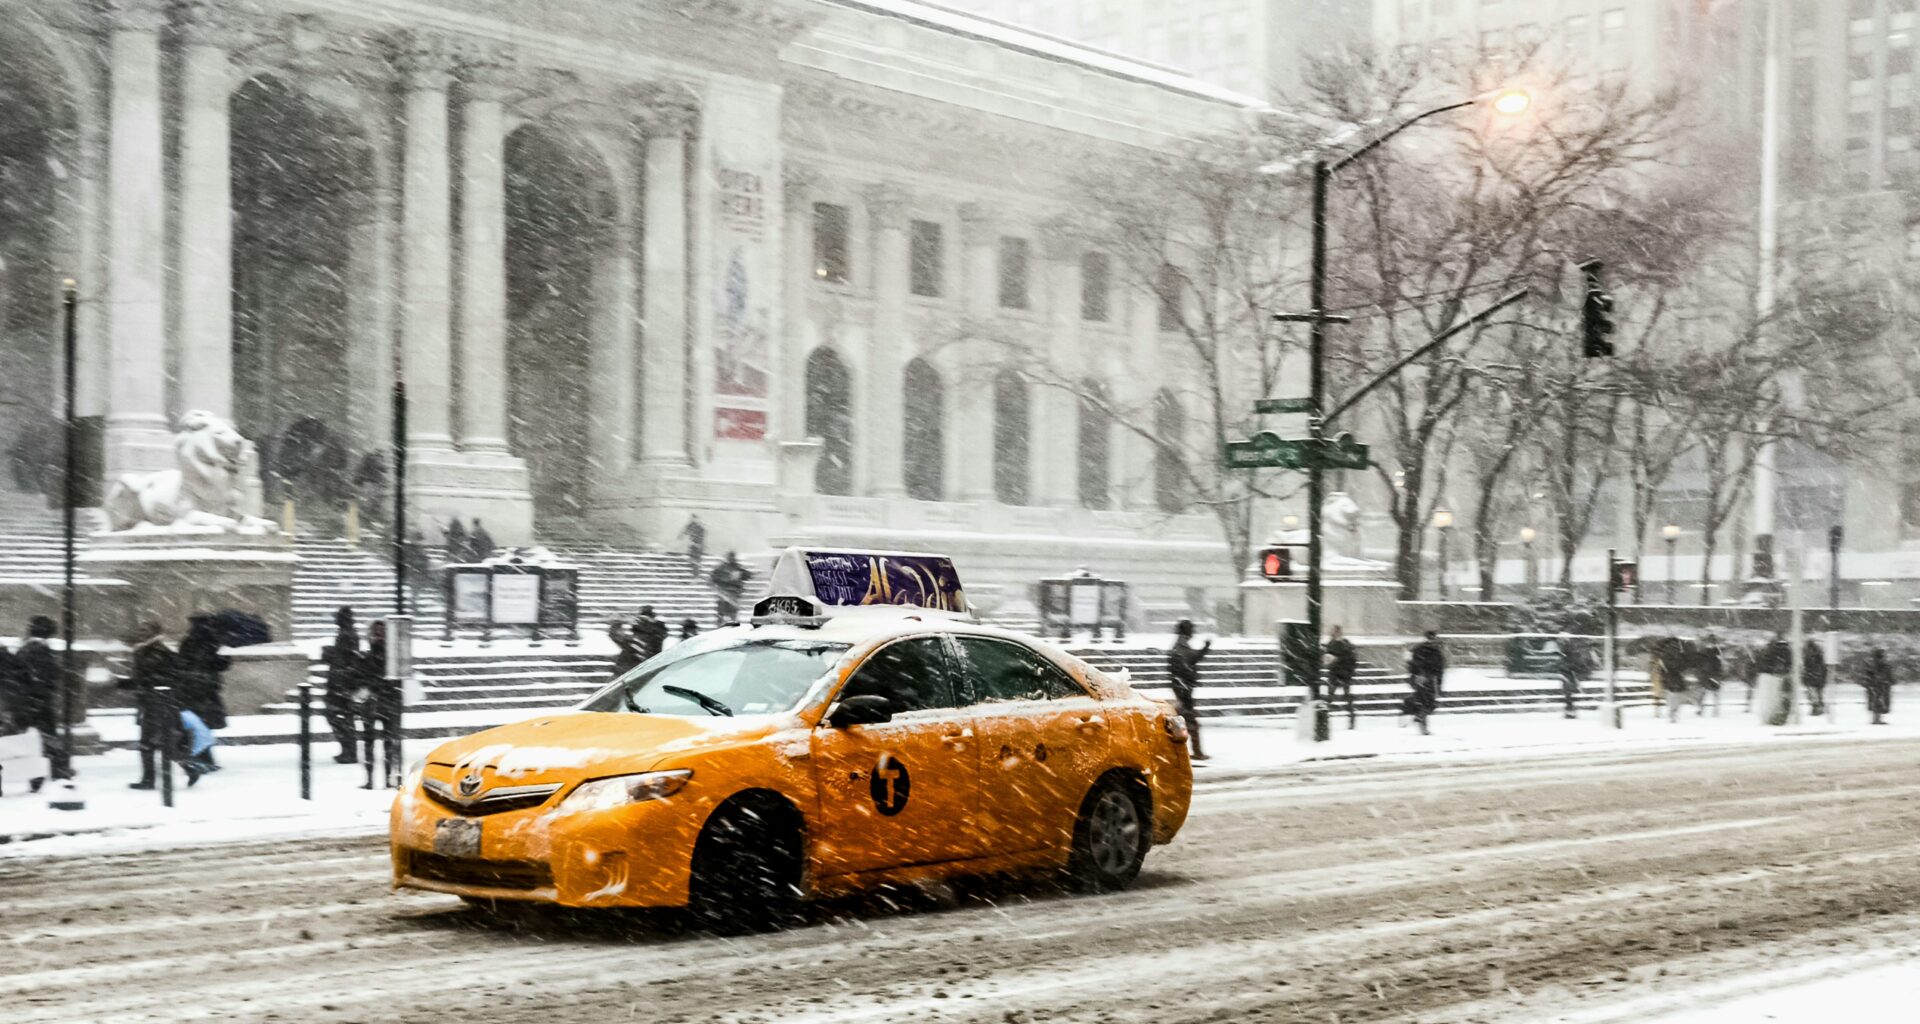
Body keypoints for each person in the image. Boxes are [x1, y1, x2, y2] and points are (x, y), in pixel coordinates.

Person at [174, 614, 230, 783]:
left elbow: (184, 663)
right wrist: (224, 655)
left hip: (194, 689)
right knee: (202, 726)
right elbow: (219, 665)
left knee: (199, 726)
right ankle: (201, 759)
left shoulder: (190, 641)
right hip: (203, 690)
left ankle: (203, 759)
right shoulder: (211, 642)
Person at [122, 621, 178, 790]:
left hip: (156, 702)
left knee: (149, 741)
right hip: (149, 701)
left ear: (155, 632)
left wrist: (126, 684)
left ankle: (149, 779)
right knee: (155, 740)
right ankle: (187, 767)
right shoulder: (145, 650)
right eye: (140, 629)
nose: (141, 632)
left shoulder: (158, 652)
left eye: (145, 630)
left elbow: (157, 677)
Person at [14, 616, 71, 780]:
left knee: (23, 738)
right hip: (39, 701)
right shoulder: (39, 650)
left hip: (25, 701)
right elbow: (45, 675)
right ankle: (58, 771)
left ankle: (38, 774)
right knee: (49, 737)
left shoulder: (25, 649)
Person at [321, 607, 363, 764]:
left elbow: (349, 658)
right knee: (340, 717)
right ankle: (347, 750)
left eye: (338, 617)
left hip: (341, 682)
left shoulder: (348, 634)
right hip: (339, 681)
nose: (335, 619)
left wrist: (330, 653)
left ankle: (349, 751)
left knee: (338, 717)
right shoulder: (346, 633)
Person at [1166, 619, 1210, 760]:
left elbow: (1190, 660)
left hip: (1183, 687)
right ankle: (1195, 752)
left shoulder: (1180, 645)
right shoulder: (1181, 646)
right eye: (1191, 630)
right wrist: (1205, 648)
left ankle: (1181, 752)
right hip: (1183, 689)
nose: (1193, 633)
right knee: (1188, 722)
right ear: (1187, 631)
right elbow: (1191, 659)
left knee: (1182, 722)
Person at [1404, 631, 1445, 736]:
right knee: (1428, 703)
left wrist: (1414, 676)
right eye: (1433, 638)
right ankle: (1421, 721)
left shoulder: (1420, 649)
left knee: (1424, 703)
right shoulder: (1432, 651)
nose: (1434, 640)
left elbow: (1411, 664)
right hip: (1427, 679)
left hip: (1422, 678)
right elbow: (1439, 669)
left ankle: (1422, 724)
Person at [1324, 625, 1357, 728]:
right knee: (1331, 697)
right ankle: (1324, 719)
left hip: (1343, 673)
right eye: (1333, 631)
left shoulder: (1345, 643)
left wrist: (1337, 659)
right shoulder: (1331, 643)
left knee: (1346, 697)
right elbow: (1327, 657)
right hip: (1335, 673)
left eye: (1335, 631)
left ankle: (1351, 718)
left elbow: (1351, 658)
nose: (1333, 633)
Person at [709, 552, 750, 625]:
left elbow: (747, 576)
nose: (732, 559)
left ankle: (731, 623)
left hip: (734, 594)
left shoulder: (737, 567)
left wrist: (742, 574)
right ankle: (721, 624)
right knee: (722, 612)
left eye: (733, 557)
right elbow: (714, 577)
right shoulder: (722, 568)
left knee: (732, 613)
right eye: (730, 557)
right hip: (724, 594)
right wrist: (727, 578)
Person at [1861, 647, 1894, 725]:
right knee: (1879, 701)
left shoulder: (1871, 663)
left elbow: (1867, 676)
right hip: (1880, 685)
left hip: (1876, 685)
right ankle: (1876, 720)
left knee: (1877, 701)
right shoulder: (1880, 664)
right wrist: (1887, 680)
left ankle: (1877, 719)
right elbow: (1883, 674)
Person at [1556, 631, 1585, 720]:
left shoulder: (1567, 650)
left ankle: (1570, 712)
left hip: (1568, 673)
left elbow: (1568, 661)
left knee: (1568, 694)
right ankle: (1570, 711)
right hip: (1568, 673)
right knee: (1569, 694)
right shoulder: (1570, 650)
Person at [1802, 639, 1828, 717]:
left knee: (1813, 694)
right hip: (1818, 678)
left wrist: (1805, 678)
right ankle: (1819, 708)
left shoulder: (1809, 655)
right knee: (1817, 694)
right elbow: (1824, 668)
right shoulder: (1819, 655)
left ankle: (1816, 709)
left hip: (1812, 678)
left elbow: (1806, 667)